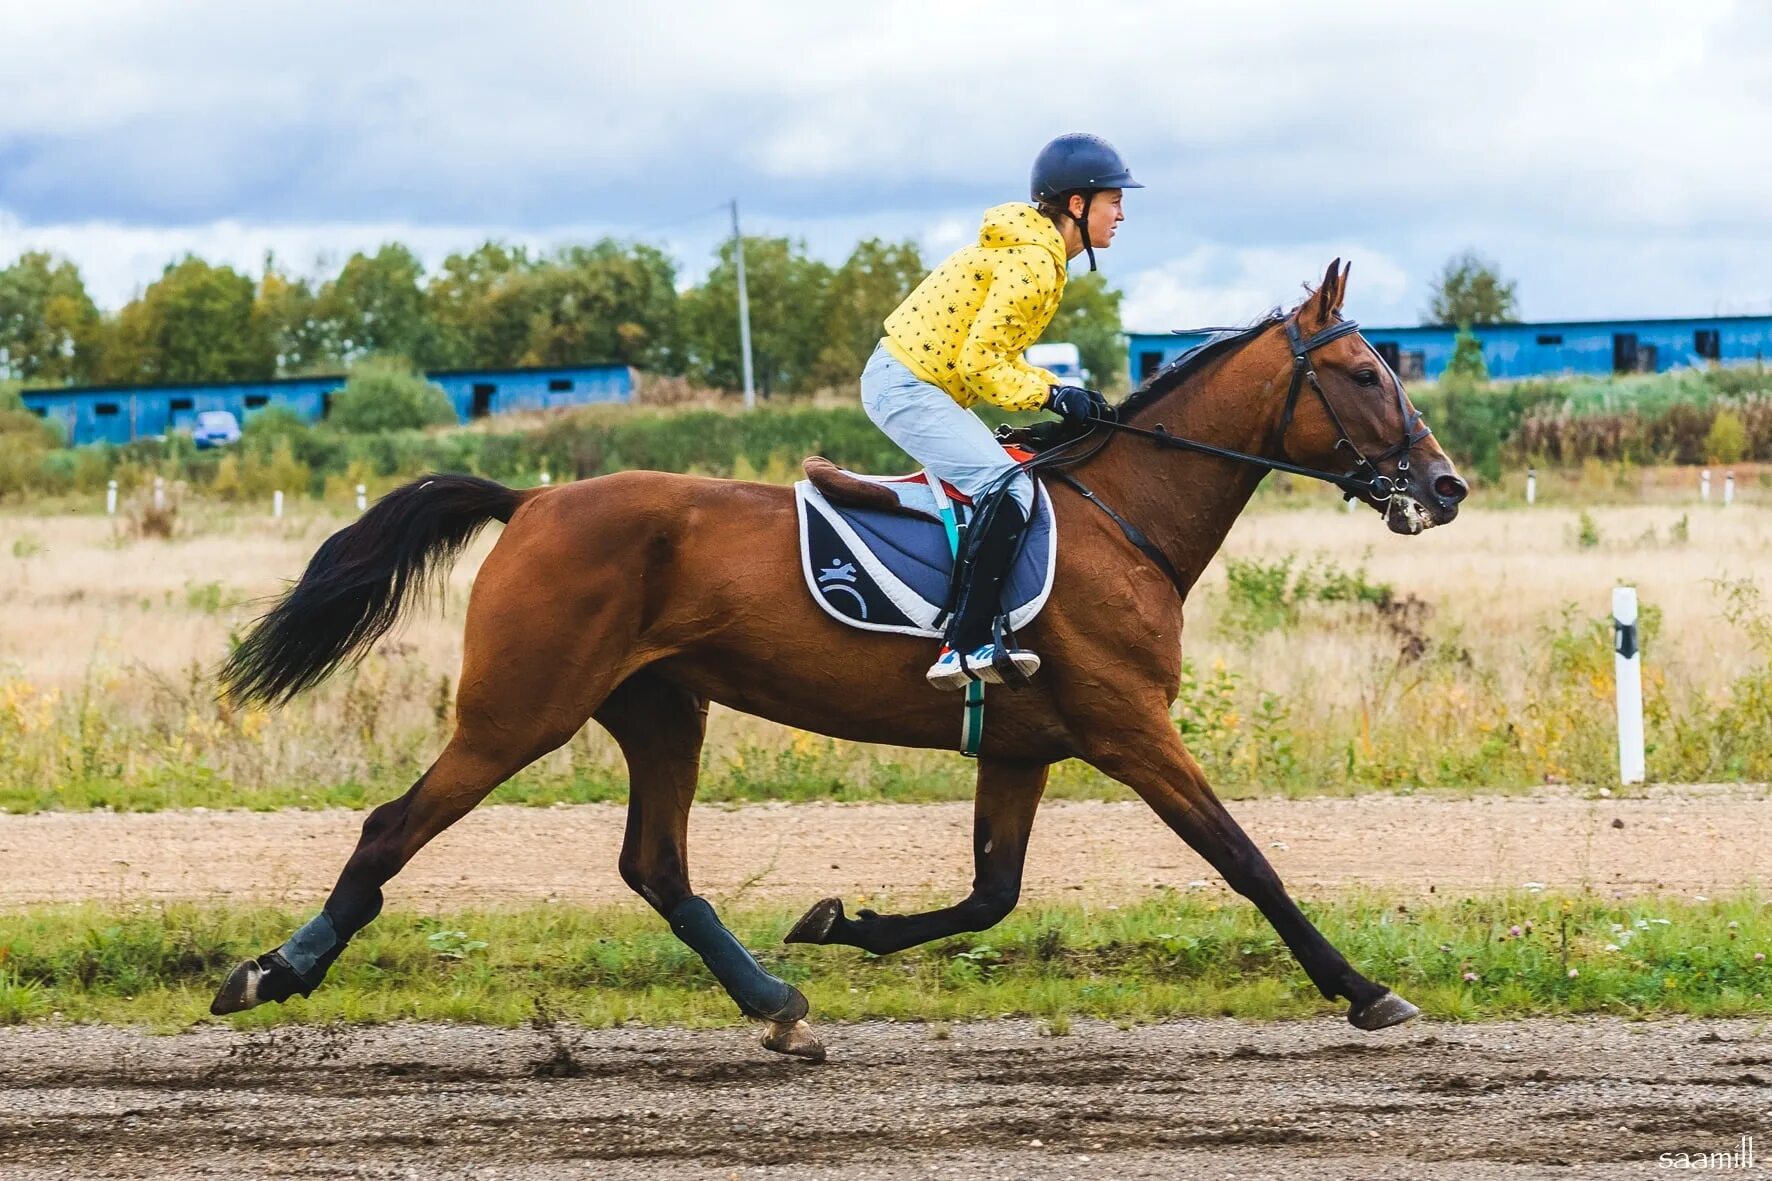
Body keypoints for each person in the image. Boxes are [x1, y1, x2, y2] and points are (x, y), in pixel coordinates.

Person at [861, 132, 1141, 690]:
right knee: (1007, 488)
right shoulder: (1033, 262)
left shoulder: (1037, 254)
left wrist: (1052, 389)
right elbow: (981, 365)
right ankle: (963, 643)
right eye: (1114, 200)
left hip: (920, 384)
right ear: (1078, 206)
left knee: (1012, 473)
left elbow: (993, 360)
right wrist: (1055, 393)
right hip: (908, 387)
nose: (1122, 214)